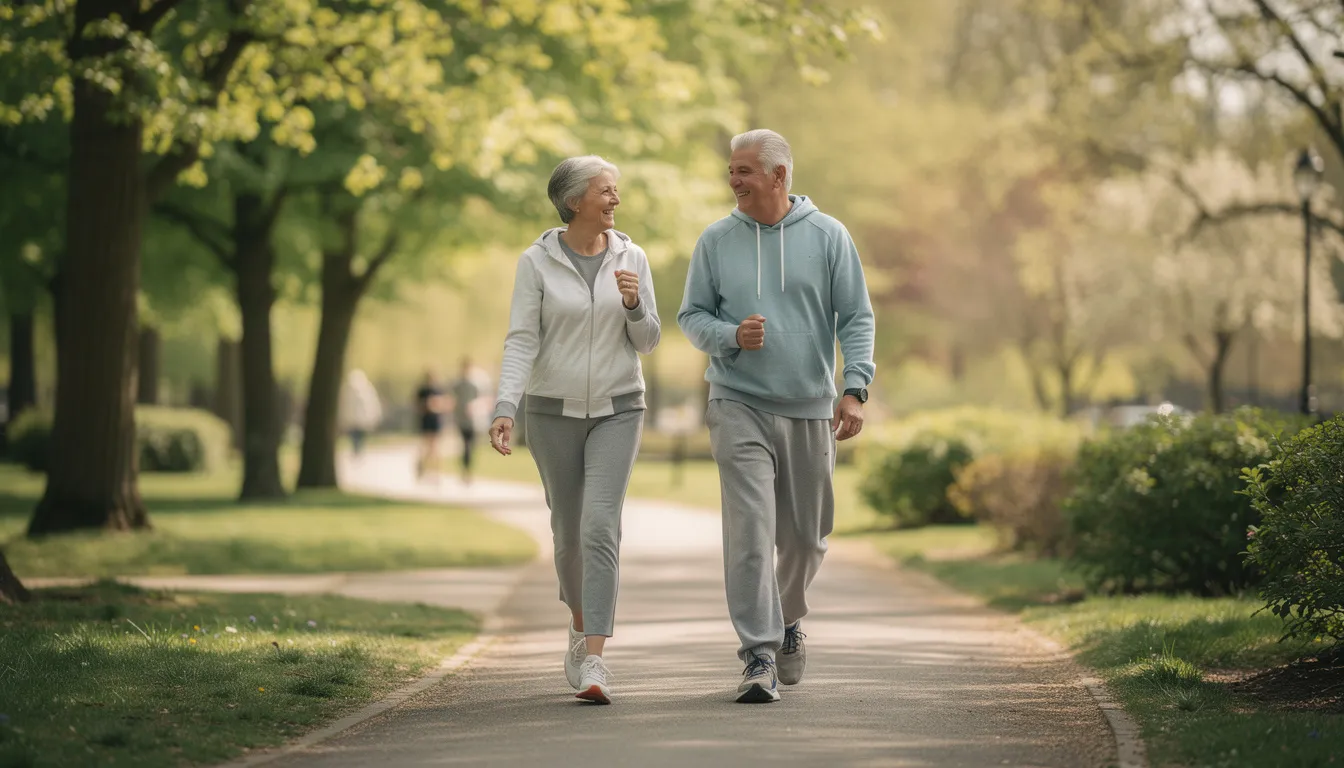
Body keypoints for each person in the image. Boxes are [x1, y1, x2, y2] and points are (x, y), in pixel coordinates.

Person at [677, 129, 875, 704]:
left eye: (744, 171)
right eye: (731, 171)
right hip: (737, 401)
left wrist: (854, 387)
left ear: (779, 176)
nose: (732, 181)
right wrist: (730, 336)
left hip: (810, 407)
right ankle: (759, 653)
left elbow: (856, 317)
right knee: (750, 534)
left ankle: (788, 620)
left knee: (807, 539)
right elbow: (692, 316)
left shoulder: (828, 235)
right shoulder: (715, 240)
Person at [488, 155, 661, 705]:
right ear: (574, 201)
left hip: (619, 407)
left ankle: (595, 658)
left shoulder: (631, 257)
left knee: (599, 526)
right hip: (551, 410)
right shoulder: (535, 262)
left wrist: (634, 304)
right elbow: (521, 339)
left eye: (616, 191)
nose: (615, 199)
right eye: (606, 191)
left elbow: (650, 340)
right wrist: (504, 407)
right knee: (568, 535)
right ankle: (579, 619)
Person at [448, 358, 481, 484]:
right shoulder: (457, 385)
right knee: (465, 446)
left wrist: (474, 406)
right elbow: (451, 400)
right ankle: (464, 471)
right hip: (461, 420)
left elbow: (480, 400)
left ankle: (468, 470)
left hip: (473, 420)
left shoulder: (474, 385)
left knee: (471, 447)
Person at [337, 368, 382, 458]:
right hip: (360, 419)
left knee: (356, 436)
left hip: (355, 419)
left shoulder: (348, 389)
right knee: (358, 436)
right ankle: (358, 451)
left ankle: (357, 451)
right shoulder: (366, 389)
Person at [415, 369, 446, 480]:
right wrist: (427, 405)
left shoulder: (439, 390)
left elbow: (444, 404)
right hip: (426, 420)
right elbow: (417, 406)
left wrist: (437, 405)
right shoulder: (422, 391)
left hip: (436, 420)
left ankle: (436, 472)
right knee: (425, 446)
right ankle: (422, 467)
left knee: (436, 447)